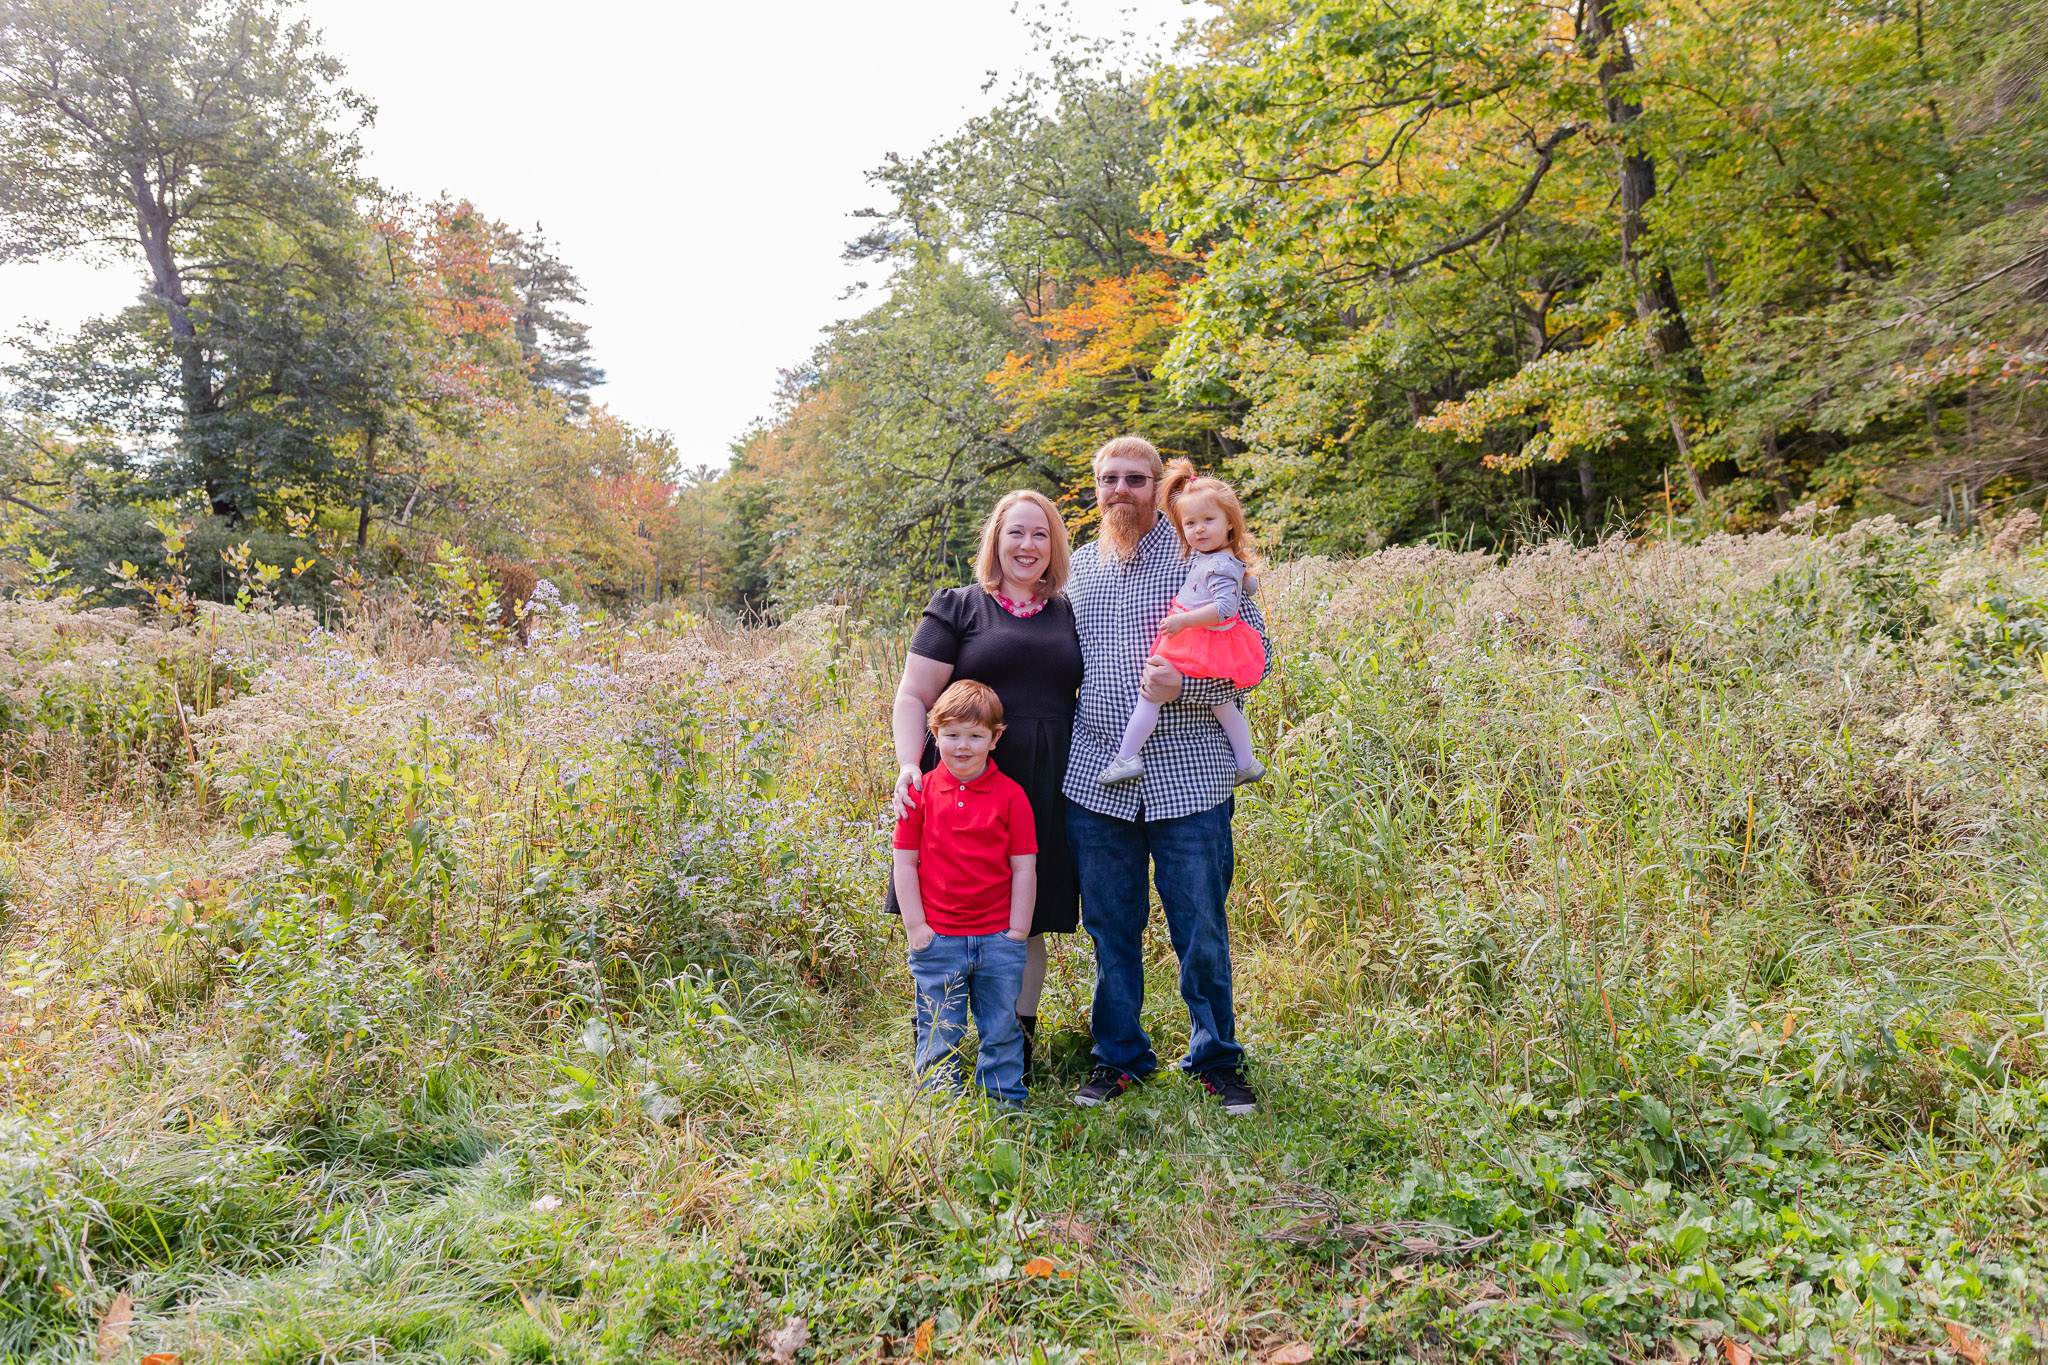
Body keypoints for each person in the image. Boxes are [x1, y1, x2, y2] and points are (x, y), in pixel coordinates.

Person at [1063, 436, 1270, 1117]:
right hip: (1098, 776)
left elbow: (1257, 657)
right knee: (1111, 928)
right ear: (1096, 487)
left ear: (1159, 486)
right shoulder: (1078, 569)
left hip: (1191, 774)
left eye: (1135, 478)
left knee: (1200, 926)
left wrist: (1186, 683)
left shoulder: (1202, 555)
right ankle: (1119, 1056)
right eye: (1108, 479)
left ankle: (1215, 1058)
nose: (1120, 489)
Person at [888, 490, 1083, 1072]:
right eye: (1016, 533)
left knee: (1029, 912)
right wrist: (906, 765)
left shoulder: (1068, 611)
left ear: (1054, 546)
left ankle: (1013, 1044)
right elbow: (913, 696)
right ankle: (939, 1039)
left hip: (1042, 785)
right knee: (951, 904)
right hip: (964, 780)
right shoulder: (959, 607)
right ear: (995, 540)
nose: (1028, 546)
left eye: (1041, 535)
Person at [892, 680, 1037, 1108]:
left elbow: (1024, 867)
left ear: (995, 739)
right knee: (939, 1026)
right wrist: (916, 927)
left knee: (1001, 1029)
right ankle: (939, 1105)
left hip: (997, 939)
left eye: (975, 736)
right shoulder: (918, 793)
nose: (962, 746)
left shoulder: (1011, 796)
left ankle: (1004, 1102)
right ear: (933, 735)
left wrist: (1017, 932)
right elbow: (904, 864)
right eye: (952, 734)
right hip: (939, 939)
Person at [1097, 459, 1267, 788]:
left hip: (1196, 640)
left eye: (1207, 520)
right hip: (1205, 639)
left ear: (1230, 523)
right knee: (1224, 706)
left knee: (1150, 695)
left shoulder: (1214, 563)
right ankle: (1246, 762)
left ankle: (1126, 757)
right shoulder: (1218, 558)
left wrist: (1183, 622)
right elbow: (1235, 581)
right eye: (1190, 523)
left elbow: (1225, 608)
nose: (1199, 529)